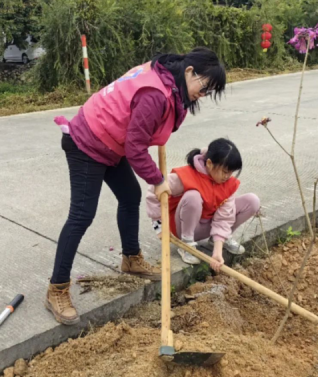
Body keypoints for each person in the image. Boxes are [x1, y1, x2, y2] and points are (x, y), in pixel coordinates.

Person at [48, 48, 227, 326]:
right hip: (87, 143)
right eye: (204, 88)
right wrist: (157, 180)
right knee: (82, 214)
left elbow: (143, 130)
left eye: (209, 92)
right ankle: (57, 288)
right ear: (190, 71)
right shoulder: (156, 94)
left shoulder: (168, 79)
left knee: (130, 197)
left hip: (108, 143)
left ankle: (131, 259)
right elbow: (135, 147)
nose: (202, 95)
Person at [147, 139, 261, 273]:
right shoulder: (185, 176)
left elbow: (224, 218)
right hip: (184, 227)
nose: (227, 176)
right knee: (193, 196)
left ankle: (218, 239)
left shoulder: (228, 183)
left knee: (252, 201)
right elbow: (153, 191)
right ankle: (187, 246)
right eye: (224, 171)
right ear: (209, 163)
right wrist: (159, 226)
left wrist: (217, 252)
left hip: (209, 226)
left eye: (231, 172)